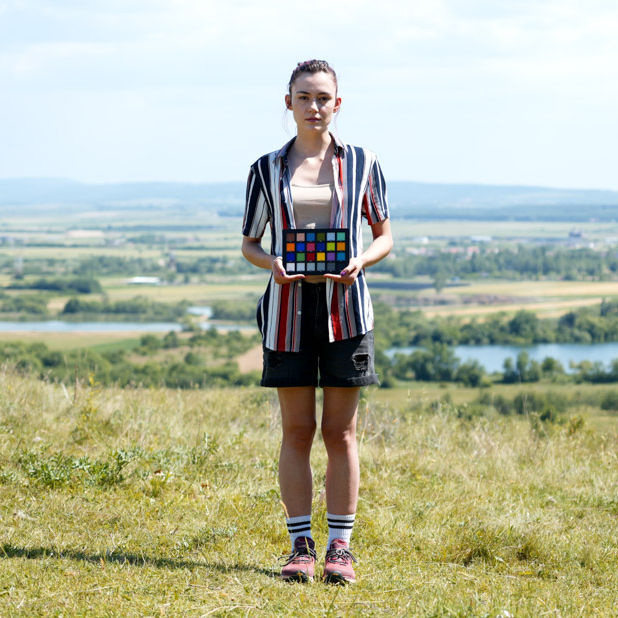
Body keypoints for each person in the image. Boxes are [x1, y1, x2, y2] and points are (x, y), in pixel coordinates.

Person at [241, 59, 392, 584]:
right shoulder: (265, 169)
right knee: (298, 430)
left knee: (341, 432)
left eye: (323, 97)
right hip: (287, 313)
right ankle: (300, 546)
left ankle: (340, 549)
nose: (314, 106)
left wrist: (361, 261)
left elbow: (384, 236)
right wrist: (272, 264)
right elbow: (250, 244)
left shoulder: (364, 163)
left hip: (346, 312)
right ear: (289, 103)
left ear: (338, 104)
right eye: (304, 97)